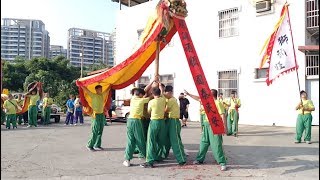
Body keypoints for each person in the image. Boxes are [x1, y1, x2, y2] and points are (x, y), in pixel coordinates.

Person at [184, 89, 227, 171]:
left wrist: (224, 127)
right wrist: (189, 94)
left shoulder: (218, 103)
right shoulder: (207, 102)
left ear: (211, 95)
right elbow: (198, 98)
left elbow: (222, 115)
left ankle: (222, 162)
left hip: (214, 125)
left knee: (216, 144)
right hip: (206, 124)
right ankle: (199, 159)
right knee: (204, 142)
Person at [123, 80, 153, 167]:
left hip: (129, 120)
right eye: (142, 94)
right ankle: (147, 157)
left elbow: (143, 91)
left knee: (130, 140)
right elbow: (151, 97)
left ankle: (127, 159)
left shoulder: (133, 98)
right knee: (140, 139)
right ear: (140, 95)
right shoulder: (141, 100)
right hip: (136, 121)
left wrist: (152, 82)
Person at [140, 83, 166, 168]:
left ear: (152, 93)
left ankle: (150, 161)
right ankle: (158, 156)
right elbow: (162, 93)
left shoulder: (151, 102)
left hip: (154, 121)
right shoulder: (163, 100)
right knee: (160, 140)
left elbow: (148, 112)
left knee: (151, 141)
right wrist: (160, 86)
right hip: (162, 122)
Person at [162, 85, 187, 165]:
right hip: (169, 120)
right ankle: (163, 155)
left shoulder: (172, 100)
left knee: (175, 140)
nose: (164, 95)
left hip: (174, 121)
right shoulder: (168, 99)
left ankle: (181, 159)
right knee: (166, 140)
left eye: (165, 94)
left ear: (169, 92)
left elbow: (165, 110)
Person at [81, 85, 108, 151]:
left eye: (101, 89)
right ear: (96, 90)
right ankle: (89, 145)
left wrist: (111, 85)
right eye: (99, 89)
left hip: (101, 115)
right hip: (95, 115)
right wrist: (80, 84)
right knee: (95, 131)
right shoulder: (93, 95)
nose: (101, 90)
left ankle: (97, 145)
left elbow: (107, 90)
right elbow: (86, 90)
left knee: (100, 131)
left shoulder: (102, 95)